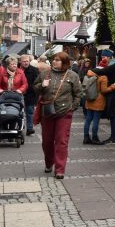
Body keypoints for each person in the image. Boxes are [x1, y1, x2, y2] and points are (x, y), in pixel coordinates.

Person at [33, 51, 82, 179]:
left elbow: (79, 94)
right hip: (47, 112)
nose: (54, 61)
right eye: (54, 59)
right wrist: (41, 85)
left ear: (64, 62)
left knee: (61, 141)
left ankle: (60, 169)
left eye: (58, 60)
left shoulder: (73, 76)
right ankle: (49, 163)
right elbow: (34, 87)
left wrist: (72, 107)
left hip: (64, 113)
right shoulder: (45, 74)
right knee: (47, 141)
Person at [82, 69, 115, 145]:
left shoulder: (88, 75)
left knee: (88, 120)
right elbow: (104, 90)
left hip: (89, 100)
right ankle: (95, 138)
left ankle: (86, 137)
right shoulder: (103, 77)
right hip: (98, 102)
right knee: (96, 120)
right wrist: (113, 86)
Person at [93, 51, 115, 144]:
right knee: (112, 116)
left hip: (113, 93)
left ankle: (114, 138)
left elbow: (100, 71)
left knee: (112, 115)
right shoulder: (113, 65)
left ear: (109, 57)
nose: (103, 58)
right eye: (102, 56)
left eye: (105, 56)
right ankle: (113, 137)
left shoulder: (112, 66)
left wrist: (91, 71)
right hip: (112, 92)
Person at [20, 55, 39, 135]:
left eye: (27, 61)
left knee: (30, 112)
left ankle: (30, 129)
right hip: (18, 94)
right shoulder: (16, 69)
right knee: (18, 112)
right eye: (24, 61)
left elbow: (37, 82)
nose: (26, 63)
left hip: (30, 94)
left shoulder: (34, 70)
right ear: (20, 62)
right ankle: (18, 128)